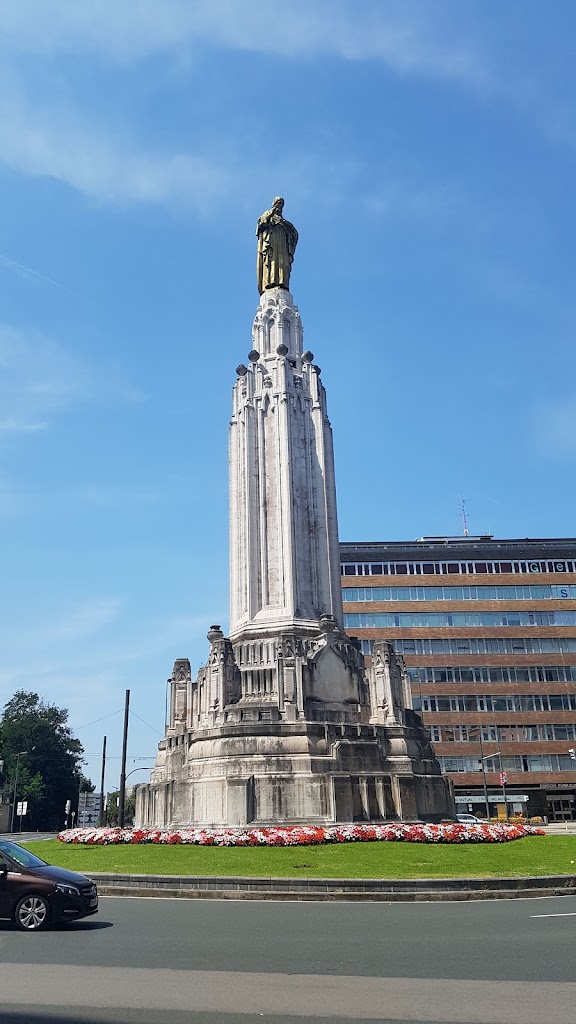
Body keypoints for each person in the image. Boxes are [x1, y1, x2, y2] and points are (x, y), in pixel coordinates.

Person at [256, 197, 298, 294]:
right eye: (278, 203)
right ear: (274, 204)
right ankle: (270, 282)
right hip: (272, 242)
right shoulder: (268, 214)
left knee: (283, 263)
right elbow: (262, 222)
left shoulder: (284, 222)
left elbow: (294, 234)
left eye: (281, 204)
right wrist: (271, 212)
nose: (280, 206)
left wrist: (288, 226)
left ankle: (282, 282)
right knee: (272, 262)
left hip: (283, 244)